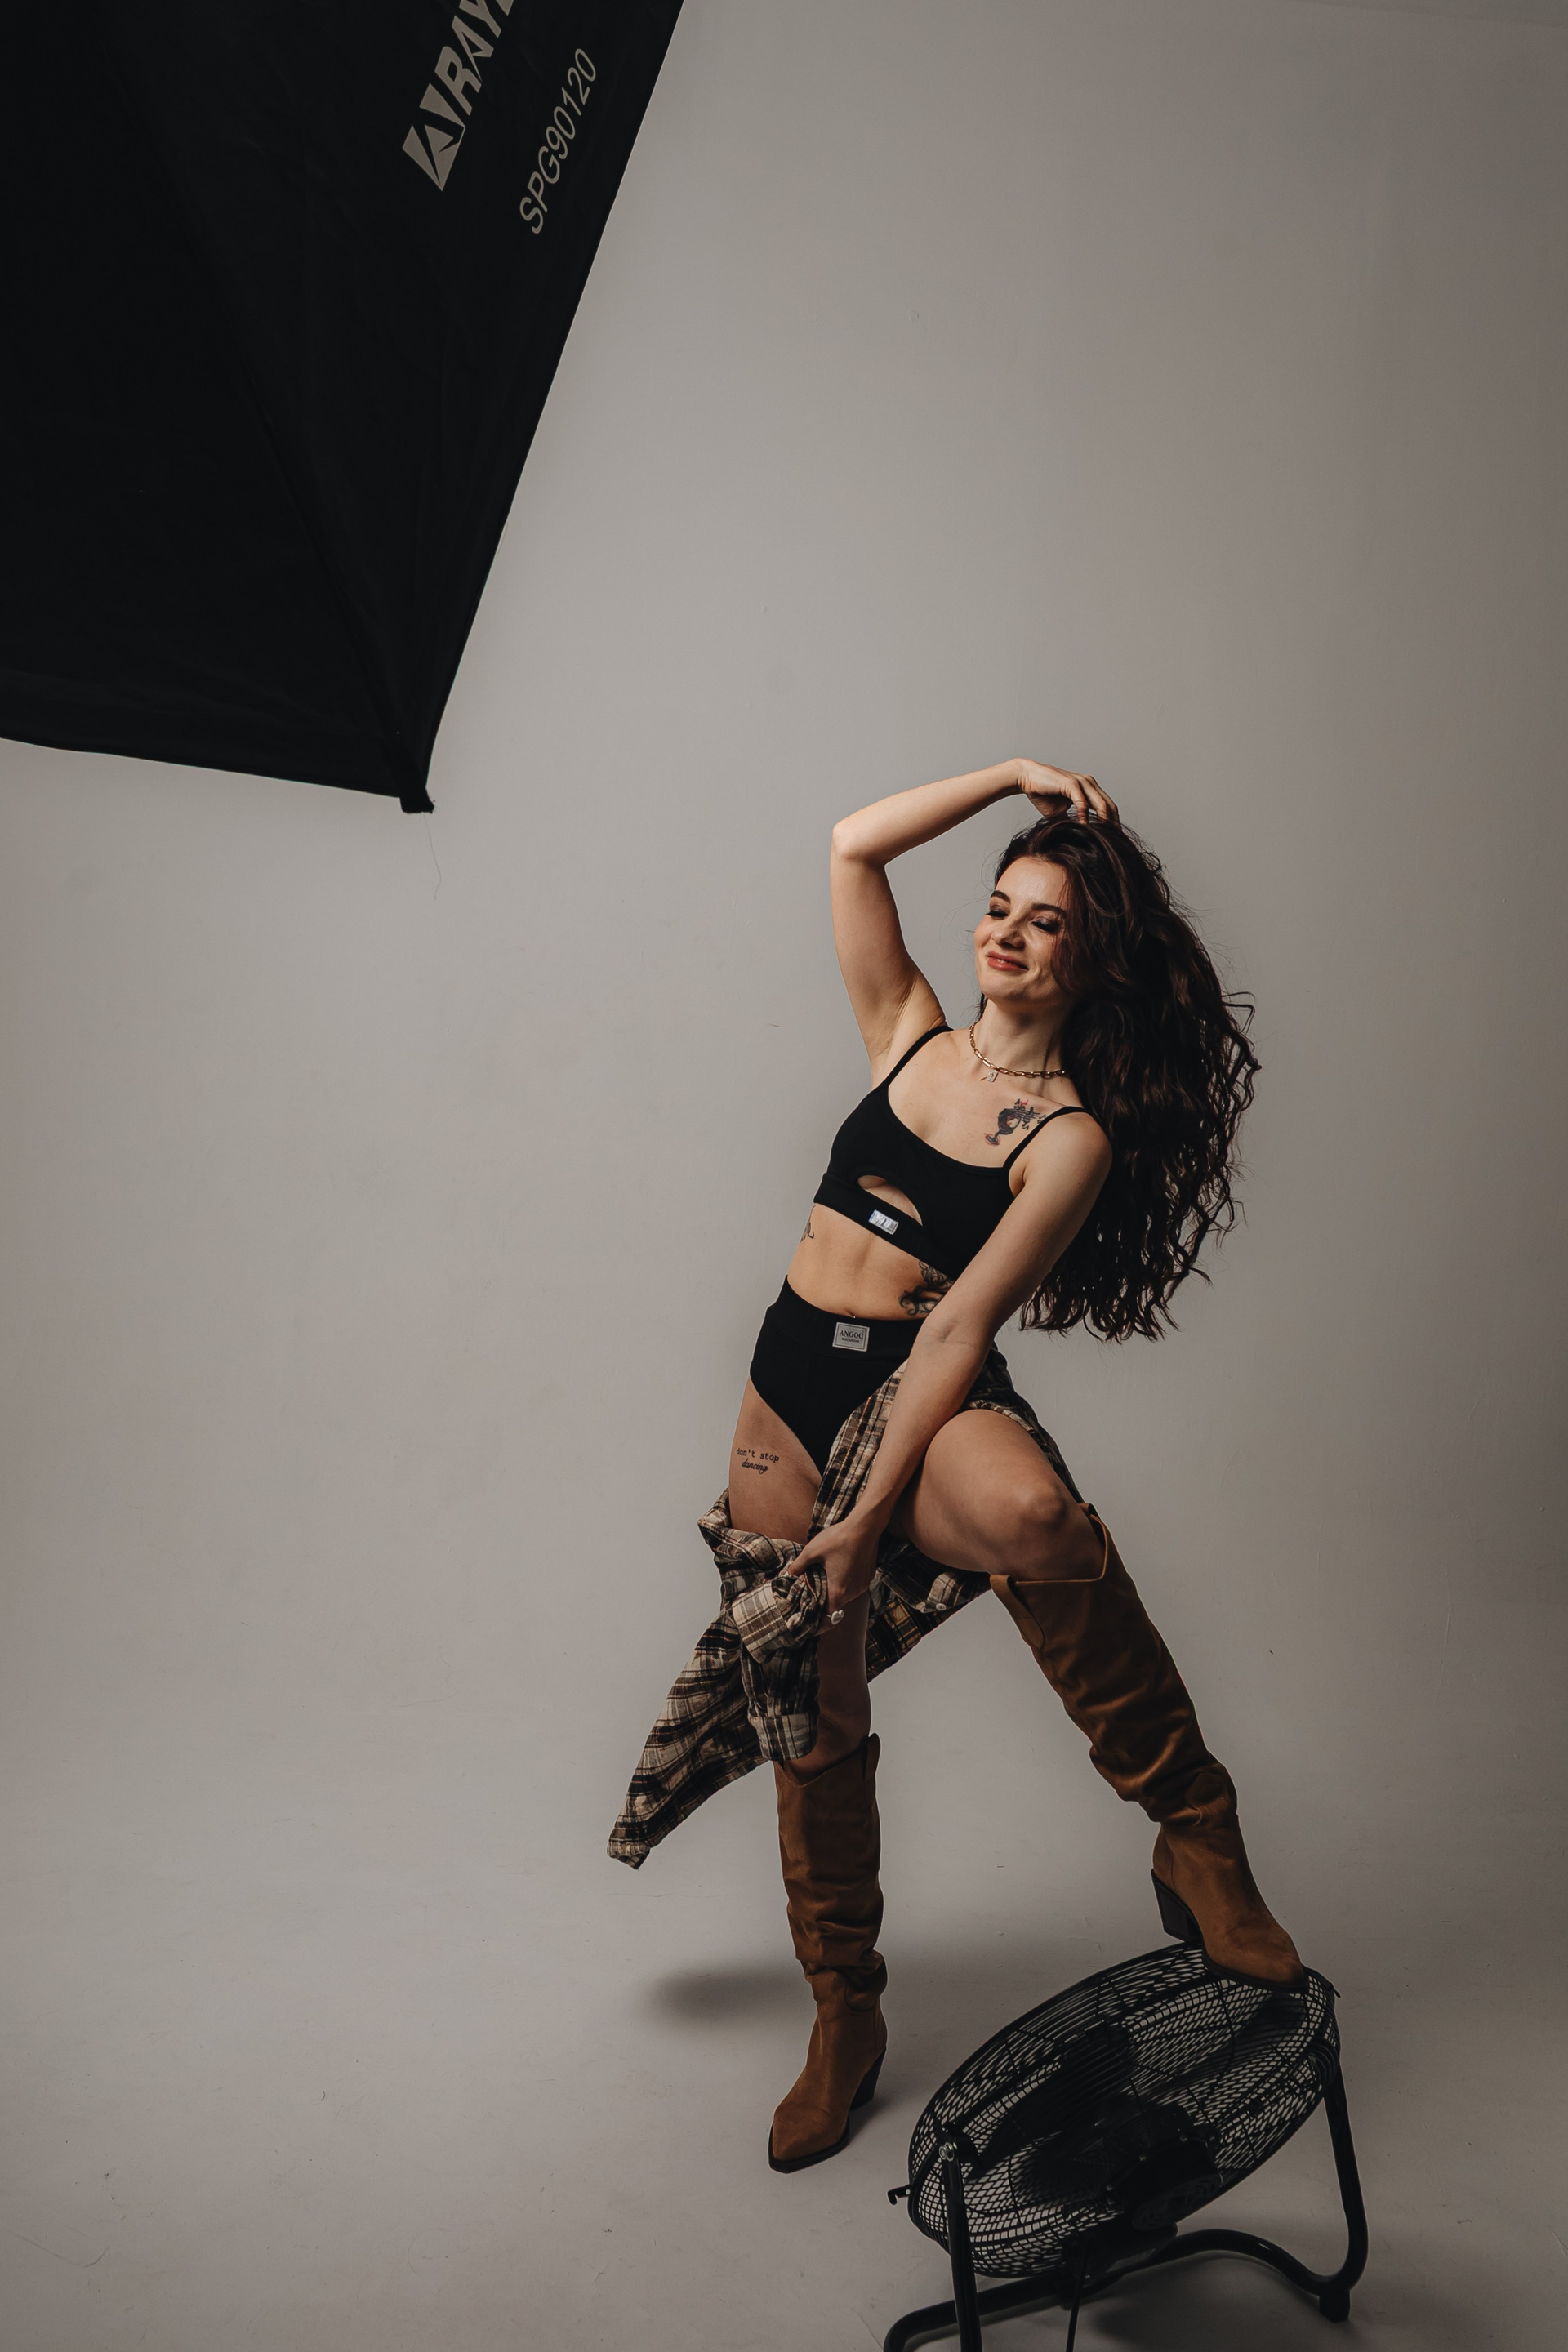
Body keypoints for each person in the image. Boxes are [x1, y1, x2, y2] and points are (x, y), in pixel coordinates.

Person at [611, 756, 1302, 2175]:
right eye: (999, 907)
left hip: (916, 1388)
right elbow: (853, 848)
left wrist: (869, 1516)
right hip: (785, 1393)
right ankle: (845, 2014)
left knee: (1037, 1515)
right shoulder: (908, 1034)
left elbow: (957, 1332)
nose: (1008, 935)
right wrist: (1007, 778)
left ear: (1089, 960)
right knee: (815, 1703)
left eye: (1046, 923)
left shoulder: (1068, 1139)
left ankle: (1196, 1828)